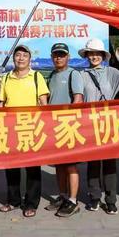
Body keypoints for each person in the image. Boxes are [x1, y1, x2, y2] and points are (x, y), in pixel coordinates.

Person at [78, 38, 119, 215]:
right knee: (93, 163)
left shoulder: (110, 72)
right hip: (89, 122)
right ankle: (94, 197)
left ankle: (111, 200)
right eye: (91, 53)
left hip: (108, 122)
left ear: (103, 56)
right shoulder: (81, 74)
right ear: (87, 55)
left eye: (97, 54)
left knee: (110, 163)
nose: (94, 56)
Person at [0, 44, 49, 218]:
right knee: (11, 167)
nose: (20, 58)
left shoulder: (36, 77)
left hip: (31, 128)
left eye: (24, 55)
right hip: (10, 128)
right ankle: (13, 200)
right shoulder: (5, 78)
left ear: (30, 59)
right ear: (14, 58)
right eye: (18, 55)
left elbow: (44, 103)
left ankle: (31, 203)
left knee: (33, 169)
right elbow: (1, 103)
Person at [45, 42, 84, 217]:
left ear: (68, 57)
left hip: (68, 125)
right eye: (56, 55)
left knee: (70, 165)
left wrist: (68, 120)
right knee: (59, 165)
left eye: (62, 54)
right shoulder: (51, 75)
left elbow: (78, 99)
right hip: (54, 126)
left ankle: (73, 201)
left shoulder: (73, 74)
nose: (58, 57)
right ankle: (62, 195)